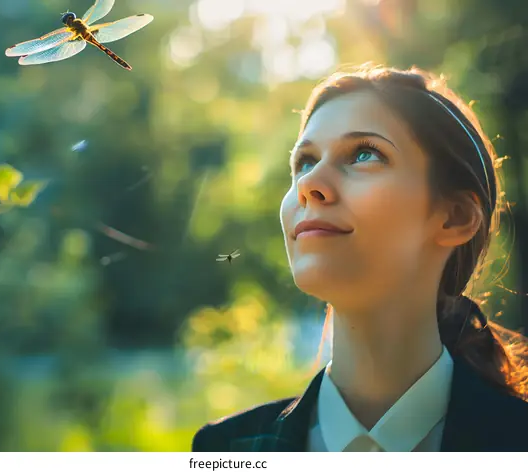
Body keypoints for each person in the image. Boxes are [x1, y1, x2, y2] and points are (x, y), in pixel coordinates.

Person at [191, 64, 528, 452]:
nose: (309, 184)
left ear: (454, 217)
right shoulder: (225, 449)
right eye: (304, 162)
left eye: (365, 154)